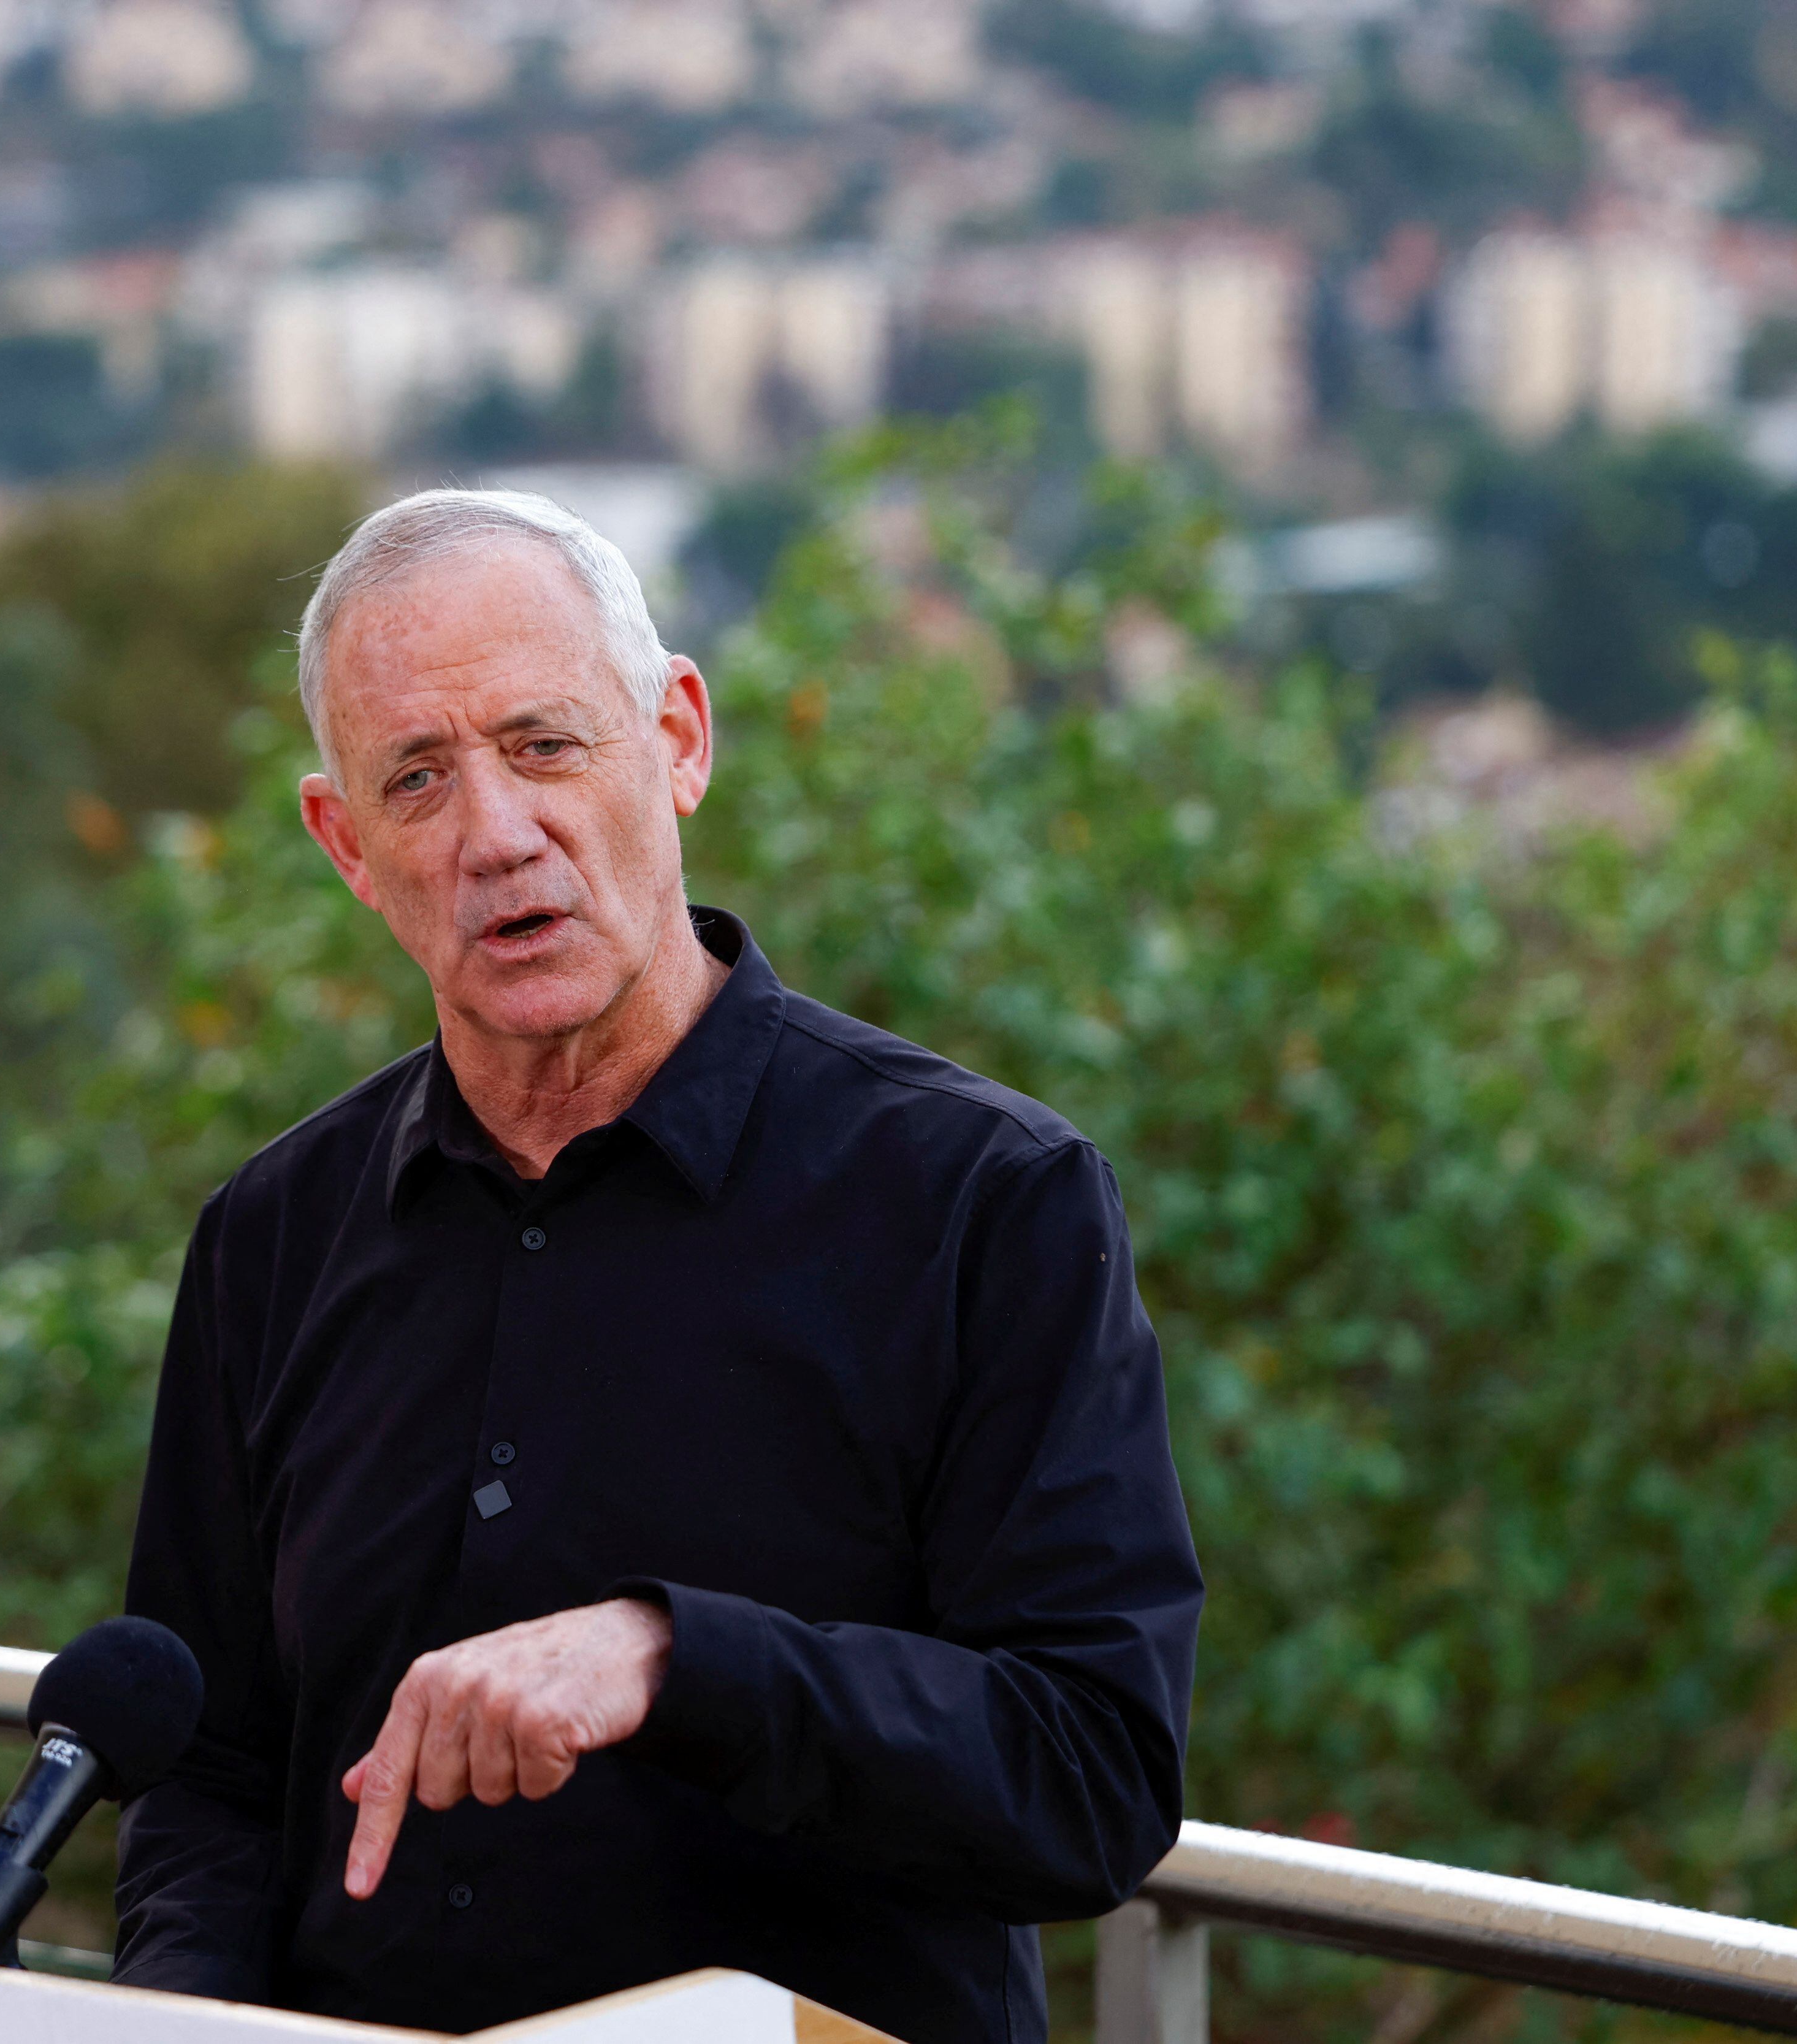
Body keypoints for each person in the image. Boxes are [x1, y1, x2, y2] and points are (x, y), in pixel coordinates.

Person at [112, 489, 1202, 2044]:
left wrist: (675, 1657)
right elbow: (208, 1772)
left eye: (544, 744)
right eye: (418, 779)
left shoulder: (984, 1199)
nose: (495, 833)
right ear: (345, 844)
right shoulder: (272, 1235)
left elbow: (1090, 1774)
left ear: (679, 737)